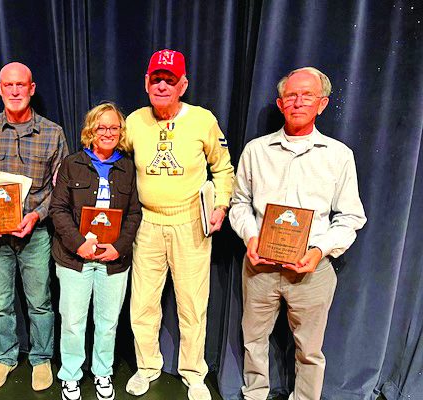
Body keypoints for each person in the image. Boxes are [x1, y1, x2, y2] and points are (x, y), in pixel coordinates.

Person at [229, 67, 367, 400]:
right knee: (253, 341)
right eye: (291, 95)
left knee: (310, 350)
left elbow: (351, 216)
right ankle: (255, 394)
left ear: (322, 104)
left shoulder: (338, 156)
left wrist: (319, 250)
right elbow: (239, 203)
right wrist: (250, 237)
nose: (298, 101)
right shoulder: (256, 151)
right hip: (260, 267)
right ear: (280, 103)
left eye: (307, 95)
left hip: (312, 271)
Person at [124, 49, 235, 400]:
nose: (162, 86)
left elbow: (223, 167)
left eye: (169, 80)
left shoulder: (202, 120)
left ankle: (193, 373)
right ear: (146, 83)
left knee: (192, 304)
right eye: (156, 79)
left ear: (183, 85)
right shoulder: (134, 121)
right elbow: (115, 162)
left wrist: (221, 204)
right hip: (147, 223)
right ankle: (147, 367)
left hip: (190, 223)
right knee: (143, 302)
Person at [0, 62, 69, 392]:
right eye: (8, 85)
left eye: (20, 84)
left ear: (31, 89)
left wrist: (36, 215)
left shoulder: (52, 133)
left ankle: (41, 358)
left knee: (40, 302)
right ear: (0, 89)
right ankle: (5, 358)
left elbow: (61, 189)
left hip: (35, 233)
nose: (14, 91)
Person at [50, 103, 142, 400]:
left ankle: (103, 372)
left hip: (113, 261)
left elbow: (134, 214)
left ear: (121, 131)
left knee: (108, 323)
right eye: (102, 127)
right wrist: (79, 243)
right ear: (91, 130)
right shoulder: (72, 164)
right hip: (74, 259)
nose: (108, 133)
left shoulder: (128, 167)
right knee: (73, 322)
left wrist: (118, 247)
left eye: (114, 127)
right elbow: (58, 209)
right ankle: (71, 375)